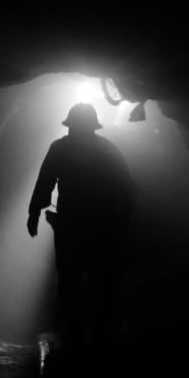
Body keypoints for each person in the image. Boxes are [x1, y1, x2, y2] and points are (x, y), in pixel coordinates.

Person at [28, 103, 135, 346]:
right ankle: (103, 335)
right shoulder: (107, 149)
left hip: (70, 225)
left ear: (71, 124)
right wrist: (122, 222)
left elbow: (44, 182)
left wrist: (35, 213)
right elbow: (126, 187)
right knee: (103, 280)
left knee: (70, 279)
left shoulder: (60, 148)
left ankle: (73, 336)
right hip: (102, 227)